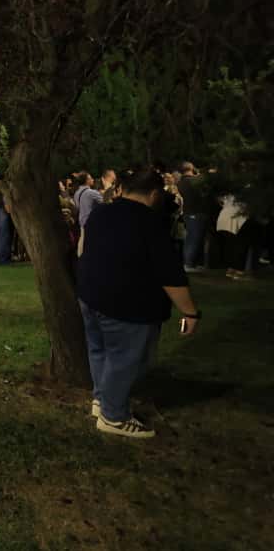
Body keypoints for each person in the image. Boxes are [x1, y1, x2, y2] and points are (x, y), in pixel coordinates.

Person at [77, 169, 201, 438]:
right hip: (127, 304)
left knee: (100, 352)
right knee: (126, 359)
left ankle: (102, 401)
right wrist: (190, 312)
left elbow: (83, 248)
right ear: (155, 194)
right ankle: (113, 416)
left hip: (91, 295)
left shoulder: (101, 212)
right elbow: (169, 273)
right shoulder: (149, 222)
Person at [177, 162, 208, 272]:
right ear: (191, 168)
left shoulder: (181, 182)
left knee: (196, 238)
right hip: (196, 212)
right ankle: (189, 264)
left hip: (189, 212)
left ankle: (197, 263)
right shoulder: (193, 180)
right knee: (194, 239)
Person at [74, 171, 104, 257]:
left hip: (82, 222)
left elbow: (78, 207)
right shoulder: (91, 192)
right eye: (90, 178)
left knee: (83, 245)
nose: (93, 179)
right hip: (92, 223)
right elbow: (105, 203)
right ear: (86, 181)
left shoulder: (76, 193)